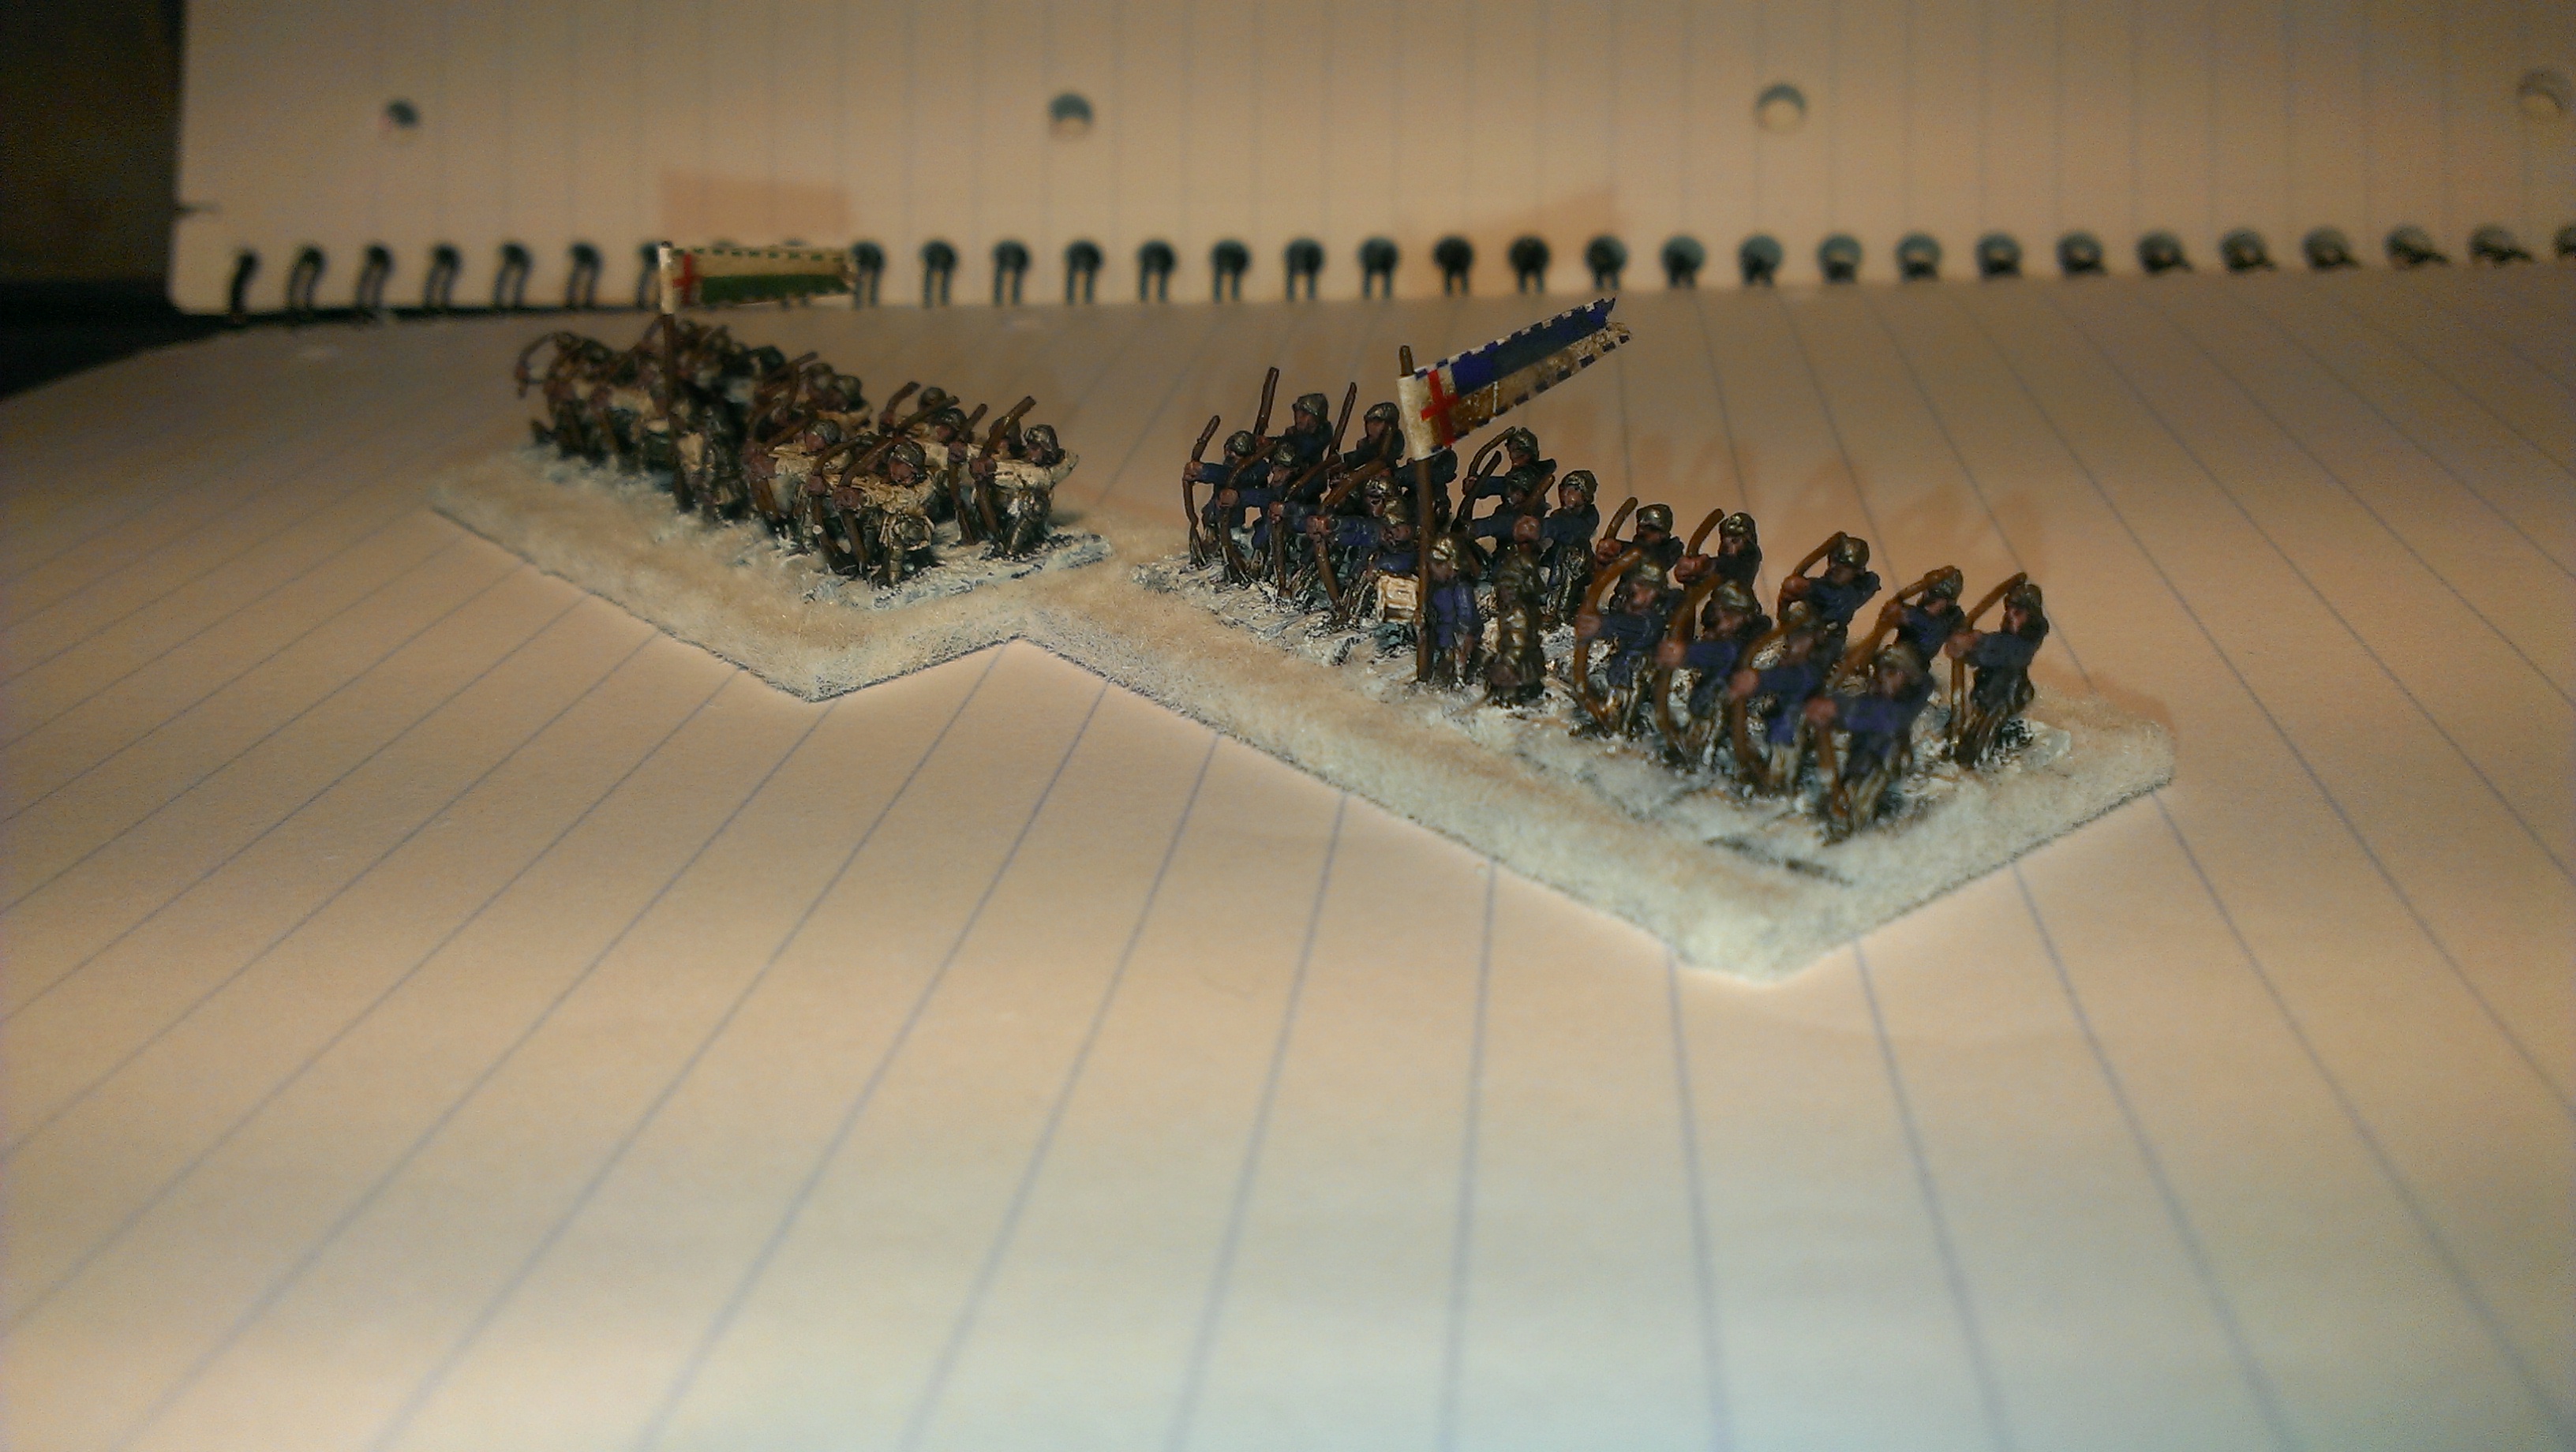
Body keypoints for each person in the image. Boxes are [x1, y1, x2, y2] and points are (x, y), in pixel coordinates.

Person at [1945, 579, 2050, 765]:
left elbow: (2002, 650)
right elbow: (1984, 656)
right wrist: (1966, 650)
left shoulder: (2024, 643)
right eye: (2008, 610)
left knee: (1982, 739)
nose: (2009, 615)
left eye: (2017, 612)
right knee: (1968, 728)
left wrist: (1974, 641)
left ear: (2031, 617)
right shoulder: (2008, 639)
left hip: (2004, 698)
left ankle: (1977, 762)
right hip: (1987, 695)